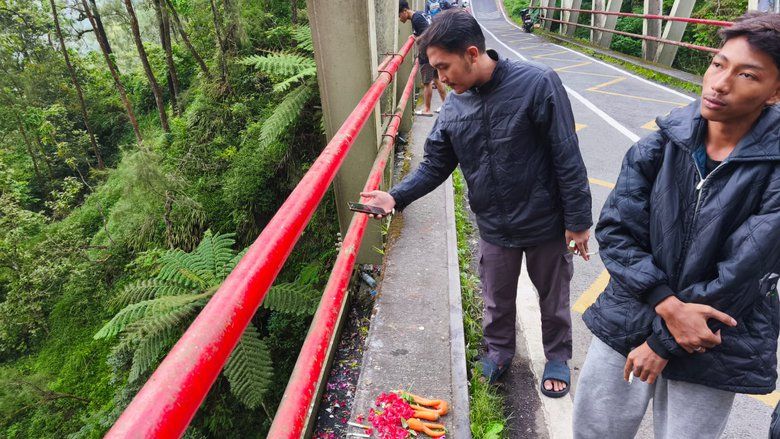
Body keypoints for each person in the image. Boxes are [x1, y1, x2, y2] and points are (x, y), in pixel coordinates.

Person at [363, 9, 593, 397]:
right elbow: (435, 165)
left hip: (545, 222)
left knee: (553, 298)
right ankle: (500, 352)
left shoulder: (537, 84)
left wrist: (578, 220)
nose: (440, 79)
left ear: (472, 53)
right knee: (496, 299)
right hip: (494, 225)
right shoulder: (454, 107)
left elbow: (566, 155)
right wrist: (396, 196)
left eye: (443, 67)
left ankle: (556, 356)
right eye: (434, 70)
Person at [573, 12, 780, 438]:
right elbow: (616, 230)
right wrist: (668, 306)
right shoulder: (663, 142)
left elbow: (744, 274)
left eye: (747, 75)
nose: (720, 83)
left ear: (775, 91)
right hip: (630, 316)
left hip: (715, 340)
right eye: (718, 64)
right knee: (595, 431)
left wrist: (663, 343)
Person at [399, 1, 447, 116]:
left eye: (399, 15)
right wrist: (416, 35)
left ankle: (427, 109)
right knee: (437, 79)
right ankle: (447, 107)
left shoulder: (416, 19)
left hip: (427, 54)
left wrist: (417, 39)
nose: (399, 19)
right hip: (435, 51)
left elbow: (427, 34)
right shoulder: (420, 14)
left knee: (427, 83)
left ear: (405, 11)